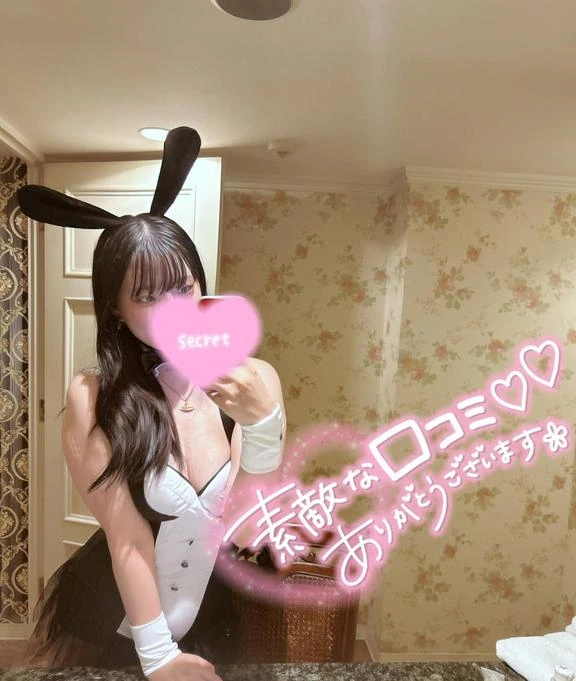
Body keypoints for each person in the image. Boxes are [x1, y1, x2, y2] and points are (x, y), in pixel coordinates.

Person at [18, 128, 286, 680]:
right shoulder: (94, 396)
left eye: (182, 288)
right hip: (116, 616)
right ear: (115, 308)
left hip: (211, 611)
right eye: (147, 296)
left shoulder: (253, 381)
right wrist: (158, 655)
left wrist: (266, 427)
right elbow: (128, 537)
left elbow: (246, 531)